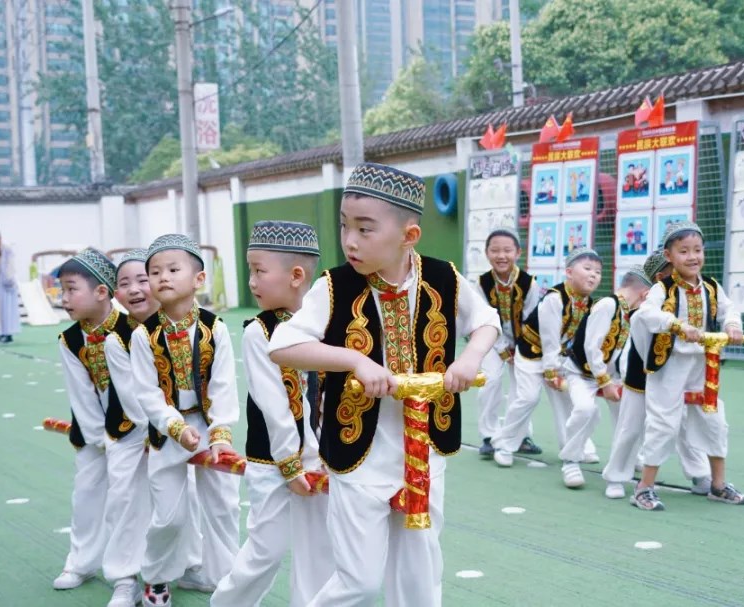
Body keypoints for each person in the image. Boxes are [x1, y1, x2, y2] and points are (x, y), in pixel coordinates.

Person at [268, 162, 500, 607]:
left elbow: (486, 322)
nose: (350, 241)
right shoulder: (334, 286)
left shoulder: (442, 277)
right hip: (360, 454)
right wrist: (354, 360)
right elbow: (283, 344)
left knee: (420, 573)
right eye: (344, 226)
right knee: (358, 580)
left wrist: (470, 357)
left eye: (365, 229)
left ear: (408, 236)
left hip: (424, 449)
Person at [211, 220, 332, 607]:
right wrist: (290, 464)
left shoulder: (325, 325)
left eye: (259, 271)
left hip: (322, 459)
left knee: (318, 551)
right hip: (273, 462)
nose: (252, 281)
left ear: (297, 275)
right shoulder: (258, 332)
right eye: (251, 271)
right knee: (265, 549)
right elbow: (276, 408)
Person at [130, 234, 240, 607]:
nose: (162, 277)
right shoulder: (144, 336)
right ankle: (157, 579)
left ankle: (227, 581)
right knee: (171, 517)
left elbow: (224, 385)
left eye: (173, 269)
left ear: (198, 279)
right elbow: (146, 393)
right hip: (167, 433)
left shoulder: (216, 328)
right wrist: (175, 427)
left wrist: (220, 434)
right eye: (154, 272)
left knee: (224, 507)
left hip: (211, 428)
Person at [53, 248, 150, 607]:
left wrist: (143, 430)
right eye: (62, 291)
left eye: (70, 289)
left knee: (131, 500)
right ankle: (81, 562)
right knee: (87, 494)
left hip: (142, 427)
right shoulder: (70, 339)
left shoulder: (132, 329)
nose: (64, 299)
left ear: (101, 292)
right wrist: (98, 439)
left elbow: (144, 387)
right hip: (96, 431)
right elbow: (81, 395)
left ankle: (135, 574)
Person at [631, 221, 744, 511]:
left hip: (702, 365)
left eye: (697, 250)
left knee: (714, 420)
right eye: (684, 251)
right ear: (669, 256)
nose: (693, 257)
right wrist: (676, 325)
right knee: (664, 423)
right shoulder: (663, 289)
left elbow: (729, 309)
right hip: (670, 364)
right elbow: (646, 313)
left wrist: (732, 325)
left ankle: (718, 484)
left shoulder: (710, 286)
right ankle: (644, 487)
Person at [601, 251, 711, 499]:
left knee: (683, 425)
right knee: (630, 427)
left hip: (675, 378)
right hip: (643, 377)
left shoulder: (691, 301)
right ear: (661, 277)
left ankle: (699, 473)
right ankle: (616, 476)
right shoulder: (645, 311)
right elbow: (637, 348)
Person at [492, 248, 602, 468]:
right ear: (569, 272)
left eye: (598, 272)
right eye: (587, 269)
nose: (593, 275)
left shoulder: (590, 304)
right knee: (528, 398)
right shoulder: (555, 297)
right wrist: (551, 371)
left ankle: (575, 447)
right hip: (532, 353)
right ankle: (504, 444)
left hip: (559, 357)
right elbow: (550, 337)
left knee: (567, 401)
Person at [556, 266, 652, 488]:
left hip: (611, 375)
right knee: (584, 410)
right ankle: (570, 460)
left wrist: (621, 380)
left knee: (631, 415)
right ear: (644, 294)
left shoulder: (630, 312)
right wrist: (605, 382)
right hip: (581, 372)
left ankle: (627, 457)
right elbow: (592, 347)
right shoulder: (608, 305)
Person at [474, 228, 544, 458]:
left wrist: (520, 348)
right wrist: (503, 348)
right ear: (487, 254)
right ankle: (488, 435)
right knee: (490, 381)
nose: (501, 256)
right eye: (495, 250)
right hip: (492, 340)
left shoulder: (528, 284)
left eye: (507, 250)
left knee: (522, 389)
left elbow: (532, 318)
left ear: (518, 253)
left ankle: (520, 435)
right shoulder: (482, 284)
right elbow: (485, 319)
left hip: (525, 341)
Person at [113, 249, 160, 327]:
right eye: (124, 284)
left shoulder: (180, 327)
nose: (133, 290)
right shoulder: (114, 337)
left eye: (143, 280)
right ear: (117, 296)